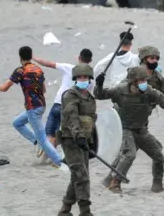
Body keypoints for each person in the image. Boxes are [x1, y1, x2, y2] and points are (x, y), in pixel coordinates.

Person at [94, 66, 164, 193]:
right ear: (133, 81)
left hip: (141, 129)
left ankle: (157, 184)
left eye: (145, 80)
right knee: (129, 154)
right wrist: (99, 84)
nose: (144, 83)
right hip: (124, 129)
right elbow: (99, 95)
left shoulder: (149, 91)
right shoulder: (120, 90)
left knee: (158, 155)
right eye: (141, 80)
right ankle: (115, 182)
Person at [101, 45, 164, 187]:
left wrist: (161, 100)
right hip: (126, 121)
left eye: (156, 58)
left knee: (132, 151)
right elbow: (119, 94)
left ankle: (111, 178)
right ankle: (113, 180)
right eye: (152, 58)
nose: (154, 61)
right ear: (144, 59)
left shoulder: (158, 77)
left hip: (142, 120)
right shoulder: (133, 75)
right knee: (129, 152)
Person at [0, 46, 65, 168]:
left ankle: (60, 162)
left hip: (32, 108)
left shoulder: (20, 71)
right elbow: (44, 90)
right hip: (41, 105)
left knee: (43, 139)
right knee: (17, 123)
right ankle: (36, 141)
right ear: (30, 55)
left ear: (20, 57)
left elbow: (4, 88)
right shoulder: (38, 69)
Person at [32, 48, 93, 149]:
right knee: (63, 136)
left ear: (79, 58)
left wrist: (34, 58)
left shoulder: (69, 68)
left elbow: (48, 63)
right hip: (72, 110)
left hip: (57, 104)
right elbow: (87, 98)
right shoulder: (90, 79)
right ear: (90, 61)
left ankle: (47, 160)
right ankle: (53, 158)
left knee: (49, 135)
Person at [57, 63, 96, 216]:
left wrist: (89, 139)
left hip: (84, 141)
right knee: (81, 176)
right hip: (70, 140)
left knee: (78, 175)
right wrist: (78, 135)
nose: (82, 79)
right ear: (74, 78)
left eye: (85, 77)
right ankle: (85, 211)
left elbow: (91, 119)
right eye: (79, 77)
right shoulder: (70, 95)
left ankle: (65, 210)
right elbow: (72, 118)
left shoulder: (89, 97)